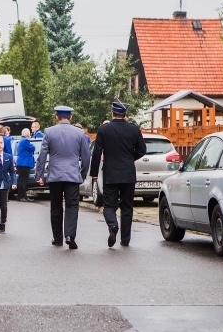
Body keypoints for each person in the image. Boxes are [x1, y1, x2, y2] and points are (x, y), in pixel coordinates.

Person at [90, 99, 146, 248]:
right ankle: (125, 240)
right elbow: (142, 150)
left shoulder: (104, 129)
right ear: (125, 114)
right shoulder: (134, 129)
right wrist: (129, 159)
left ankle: (113, 224)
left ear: (112, 113)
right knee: (127, 207)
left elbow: (97, 153)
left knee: (109, 205)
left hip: (110, 174)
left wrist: (94, 174)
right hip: (128, 174)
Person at [35, 105, 91, 249]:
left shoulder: (49, 132)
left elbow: (42, 155)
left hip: (55, 175)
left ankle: (58, 238)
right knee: (72, 205)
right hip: (72, 175)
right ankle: (70, 235)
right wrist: (83, 174)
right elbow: (86, 157)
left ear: (56, 117)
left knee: (56, 206)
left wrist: (39, 174)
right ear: (70, 117)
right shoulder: (79, 133)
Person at [15, 128, 35, 202]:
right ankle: (22, 196)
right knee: (24, 181)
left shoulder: (21, 140)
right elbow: (33, 148)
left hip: (21, 163)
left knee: (21, 180)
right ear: (27, 134)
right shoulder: (26, 140)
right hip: (25, 163)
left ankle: (21, 196)